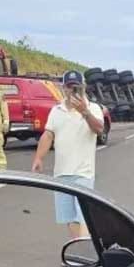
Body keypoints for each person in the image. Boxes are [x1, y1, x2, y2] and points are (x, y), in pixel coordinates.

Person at [32, 70, 104, 239]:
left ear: (83, 88)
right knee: (70, 218)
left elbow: (99, 129)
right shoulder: (56, 110)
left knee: (84, 217)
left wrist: (84, 112)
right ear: (63, 88)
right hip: (62, 174)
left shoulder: (93, 108)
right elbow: (48, 135)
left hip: (83, 173)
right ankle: (78, 251)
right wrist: (38, 158)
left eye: (76, 87)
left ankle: (85, 254)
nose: (72, 91)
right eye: (69, 87)